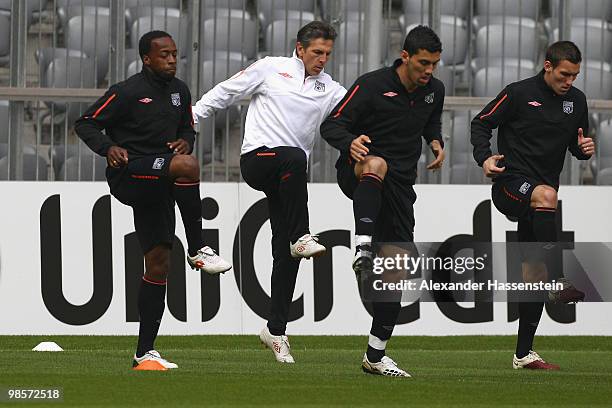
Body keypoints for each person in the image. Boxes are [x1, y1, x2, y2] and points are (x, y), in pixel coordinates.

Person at [75, 31, 231, 370]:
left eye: (175, 54)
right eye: (164, 55)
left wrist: (185, 141)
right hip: (130, 173)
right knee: (188, 167)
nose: (172, 60)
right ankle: (199, 247)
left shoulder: (180, 91)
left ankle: (143, 353)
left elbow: (188, 129)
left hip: (159, 180)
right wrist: (108, 148)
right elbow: (85, 123)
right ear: (147, 58)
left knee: (159, 263)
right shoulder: (127, 92)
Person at [192, 21, 346, 363]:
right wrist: (194, 114)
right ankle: (302, 234)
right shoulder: (271, 68)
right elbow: (228, 90)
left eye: (328, 54)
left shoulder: (330, 88)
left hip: (288, 176)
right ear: (300, 48)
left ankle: (275, 330)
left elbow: (357, 112)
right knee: (294, 158)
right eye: (317, 52)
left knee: (287, 253)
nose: (322, 59)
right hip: (258, 160)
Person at [321, 25, 445, 377]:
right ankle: (362, 247)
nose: (429, 71)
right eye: (423, 63)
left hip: (401, 187)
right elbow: (332, 125)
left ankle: (375, 356)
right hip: (362, 172)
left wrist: (436, 142)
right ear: (405, 57)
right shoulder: (372, 84)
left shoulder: (434, 90)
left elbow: (430, 123)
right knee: (377, 162)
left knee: (397, 268)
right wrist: (350, 143)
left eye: (435, 64)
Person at [470, 41, 593, 370]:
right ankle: (557, 279)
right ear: (548, 66)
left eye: (575, 76)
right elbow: (481, 123)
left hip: (541, 200)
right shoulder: (519, 93)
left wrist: (584, 149)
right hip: (511, 185)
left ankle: (524, 354)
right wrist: (484, 158)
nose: (570, 81)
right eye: (565, 74)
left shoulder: (577, 102)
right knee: (546, 196)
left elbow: (577, 145)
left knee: (532, 271)